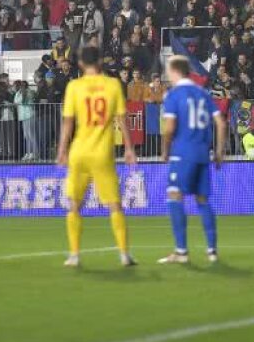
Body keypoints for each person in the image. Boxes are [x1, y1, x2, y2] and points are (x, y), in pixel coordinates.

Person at [55, 45, 137, 268]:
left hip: (79, 152)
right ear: (100, 62)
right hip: (102, 153)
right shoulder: (112, 85)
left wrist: (62, 150)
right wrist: (129, 148)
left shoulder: (74, 86)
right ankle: (123, 254)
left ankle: (74, 255)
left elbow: (68, 122)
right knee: (114, 205)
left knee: (74, 205)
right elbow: (122, 120)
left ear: (80, 64)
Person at [157, 55, 226, 265]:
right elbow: (221, 123)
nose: (167, 75)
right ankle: (212, 251)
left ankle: (181, 251)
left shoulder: (174, 95)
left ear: (175, 71)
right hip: (203, 153)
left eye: (169, 71)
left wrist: (165, 151)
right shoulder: (203, 93)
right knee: (203, 200)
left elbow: (169, 129)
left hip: (182, 153)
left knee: (174, 196)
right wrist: (220, 152)